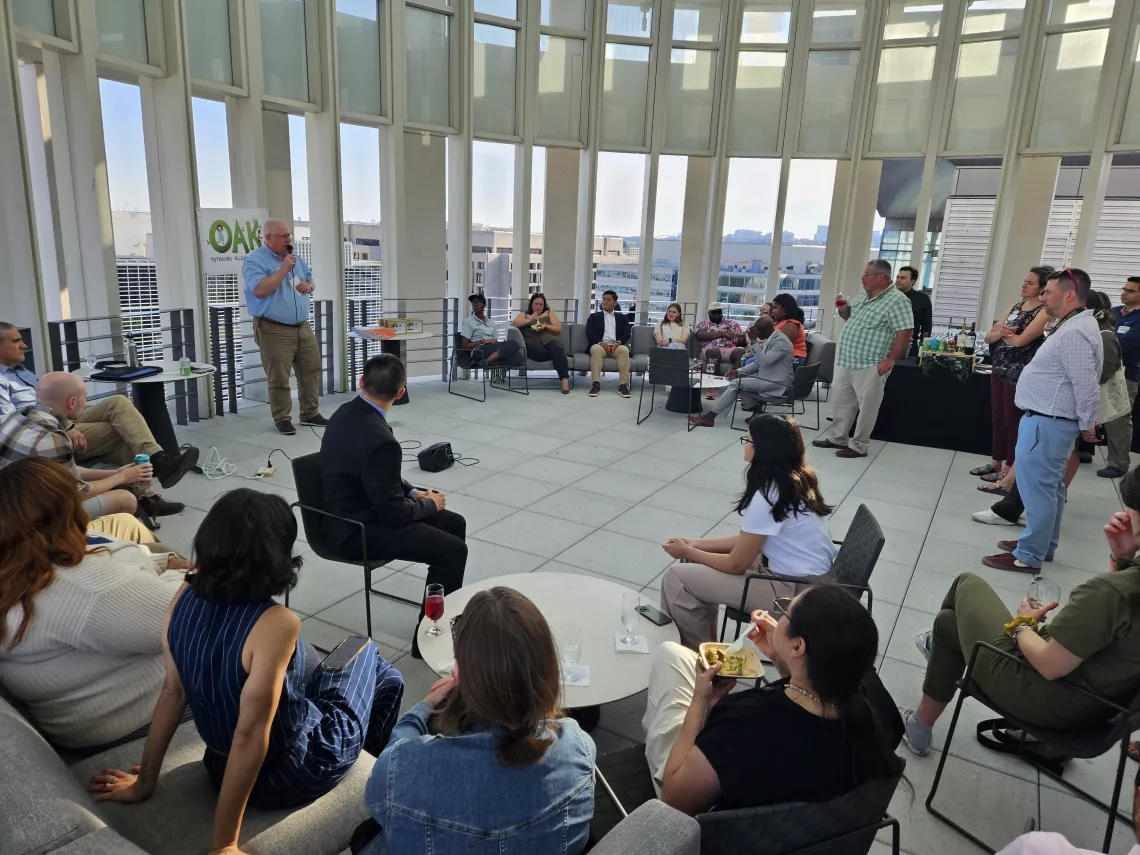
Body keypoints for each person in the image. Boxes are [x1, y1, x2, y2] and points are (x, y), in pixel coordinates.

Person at [90, 489, 404, 853]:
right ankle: (382, 786)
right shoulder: (277, 623)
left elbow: (172, 694)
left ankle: (377, 774)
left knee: (387, 680)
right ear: (278, 556)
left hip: (219, 768)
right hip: (298, 769)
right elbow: (249, 736)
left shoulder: (182, 597)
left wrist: (144, 783)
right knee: (366, 651)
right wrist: (224, 845)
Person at [900, 467, 1140, 757]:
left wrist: (1022, 625)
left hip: (1049, 699)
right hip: (1096, 710)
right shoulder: (1121, 590)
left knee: (967, 583)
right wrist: (1124, 557)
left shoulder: (1112, 592)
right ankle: (918, 726)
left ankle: (938, 649)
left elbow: (1049, 665)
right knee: (948, 625)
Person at [358, 587, 595, 855]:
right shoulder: (579, 748)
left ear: (463, 673)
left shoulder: (401, 767)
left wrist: (425, 706)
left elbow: (379, 791)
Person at [642, 585, 903, 815]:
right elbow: (807, 701)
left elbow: (674, 803)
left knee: (670, 655)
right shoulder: (875, 708)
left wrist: (701, 701)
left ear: (799, 646)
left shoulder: (748, 722)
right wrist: (782, 656)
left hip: (710, 823)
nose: (777, 616)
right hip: (803, 832)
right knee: (682, 659)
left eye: (786, 611)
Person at [0, 458, 188, 750]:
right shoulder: (83, 587)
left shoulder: (19, 570)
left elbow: (108, 562)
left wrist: (156, 563)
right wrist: (185, 574)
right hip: (137, 718)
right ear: (66, 510)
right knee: (272, 643)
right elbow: (190, 622)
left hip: (81, 718)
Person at [320, 354, 467, 658]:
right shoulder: (381, 439)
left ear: (361, 382)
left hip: (341, 513)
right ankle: (427, 638)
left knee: (456, 524)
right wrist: (430, 505)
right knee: (454, 549)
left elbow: (376, 475)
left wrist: (413, 491)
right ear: (401, 394)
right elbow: (392, 513)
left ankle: (438, 616)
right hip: (356, 529)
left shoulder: (346, 412)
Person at [660, 414, 837, 648]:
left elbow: (736, 564)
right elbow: (749, 540)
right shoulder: (796, 480)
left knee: (677, 578)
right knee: (694, 566)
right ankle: (707, 654)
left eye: (748, 440)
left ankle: (698, 666)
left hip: (794, 595)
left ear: (763, 449)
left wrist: (689, 552)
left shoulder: (769, 494)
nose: (745, 444)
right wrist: (694, 544)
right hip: (811, 584)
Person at [981, 268, 1101, 573]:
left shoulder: (1075, 331)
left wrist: (1088, 424)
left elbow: (1085, 384)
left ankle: (1029, 554)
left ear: (1069, 294)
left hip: (1050, 420)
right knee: (1050, 489)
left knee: (1039, 489)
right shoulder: (1072, 325)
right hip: (1047, 417)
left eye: (1048, 291)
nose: (1043, 296)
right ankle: (1042, 544)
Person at [0, 321, 199, 491]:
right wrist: (66, 426)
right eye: (16, 341)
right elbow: (13, 425)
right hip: (44, 430)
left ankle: (156, 465)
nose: (24, 345)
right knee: (125, 430)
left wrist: (66, 420)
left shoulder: (21, 371)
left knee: (119, 405)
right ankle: (150, 488)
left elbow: (48, 398)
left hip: (58, 416)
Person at [0, 373, 171, 526]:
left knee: (119, 413)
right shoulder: (53, 439)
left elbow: (63, 471)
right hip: (31, 516)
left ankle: (156, 466)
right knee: (126, 499)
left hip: (11, 501)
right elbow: (78, 492)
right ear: (72, 402)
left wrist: (114, 473)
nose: (86, 403)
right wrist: (121, 477)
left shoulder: (21, 415)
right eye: (84, 398)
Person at [812, 259, 913, 459]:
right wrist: (842, 309)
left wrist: (890, 360)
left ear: (881, 277)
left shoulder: (898, 300)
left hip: (871, 363)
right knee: (841, 402)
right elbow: (850, 316)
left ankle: (859, 445)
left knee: (867, 407)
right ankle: (838, 437)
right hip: (847, 359)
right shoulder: (863, 295)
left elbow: (905, 331)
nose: (862, 278)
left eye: (866, 274)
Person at [242, 218, 326, 436]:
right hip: (273, 328)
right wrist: (283, 269)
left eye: (289, 235)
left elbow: (310, 279)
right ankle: (282, 417)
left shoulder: (294, 257)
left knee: (312, 368)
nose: (289, 239)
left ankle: (310, 413)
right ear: (268, 238)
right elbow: (259, 290)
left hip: (302, 325)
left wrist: (309, 285)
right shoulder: (254, 260)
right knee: (279, 376)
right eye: (284, 236)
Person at [972, 267, 1052, 493]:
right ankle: (995, 460)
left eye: (1030, 283)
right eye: (1024, 281)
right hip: (999, 366)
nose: (1024, 285)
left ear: (1042, 288)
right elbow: (989, 335)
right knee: (997, 416)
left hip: (1020, 371)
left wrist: (1005, 334)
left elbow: (1021, 341)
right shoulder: (1016, 307)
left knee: (1012, 419)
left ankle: (1009, 466)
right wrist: (1005, 334)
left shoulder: (1043, 310)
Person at [689, 318, 793, 428]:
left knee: (736, 384)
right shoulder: (773, 338)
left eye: (756, 332)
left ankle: (709, 418)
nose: (754, 335)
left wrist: (753, 342)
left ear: (765, 330)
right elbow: (758, 364)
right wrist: (738, 371)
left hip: (777, 383)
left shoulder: (781, 342)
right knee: (739, 380)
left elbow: (764, 362)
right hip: (768, 378)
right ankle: (757, 412)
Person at [1102, 276, 1140, 478]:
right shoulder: (1113, 312)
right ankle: (1083, 450)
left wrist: (1107, 342)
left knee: (1118, 418)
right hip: (1099, 370)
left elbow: (1128, 345)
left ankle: (1118, 464)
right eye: (1124, 289)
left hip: (1125, 374)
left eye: (1131, 290)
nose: (1124, 293)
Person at [512, 292, 570, 393]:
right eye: (536, 304)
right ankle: (561, 356)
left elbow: (558, 329)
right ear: (531, 304)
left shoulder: (549, 313)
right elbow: (514, 324)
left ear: (544, 305)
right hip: (531, 341)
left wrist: (545, 326)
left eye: (541, 304)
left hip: (549, 339)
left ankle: (564, 380)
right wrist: (530, 319)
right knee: (541, 354)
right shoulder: (524, 315)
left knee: (558, 348)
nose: (538, 306)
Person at [459, 293, 523, 377]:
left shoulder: (491, 322)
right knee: (514, 343)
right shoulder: (468, 322)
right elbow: (464, 345)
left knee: (519, 357)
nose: (474, 304)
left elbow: (495, 341)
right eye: (473, 302)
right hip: (478, 350)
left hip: (491, 349)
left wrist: (495, 344)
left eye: (477, 302)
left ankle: (485, 362)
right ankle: (488, 361)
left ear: (484, 305)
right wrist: (482, 341)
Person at [586, 289, 633, 398]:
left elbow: (627, 334)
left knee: (624, 350)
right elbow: (590, 332)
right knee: (596, 349)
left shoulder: (622, 318)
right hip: (600, 345)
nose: (605, 302)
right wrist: (601, 343)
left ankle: (623, 385)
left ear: (615, 303)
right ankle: (596, 384)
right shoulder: (594, 317)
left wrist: (618, 343)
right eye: (604, 299)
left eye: (608, 300)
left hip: (616, 346)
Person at [694, 302, 744, 381]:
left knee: (740, 351)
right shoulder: (703, 324)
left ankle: (735, 383)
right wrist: (723, 333)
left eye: (719, 312)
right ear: (709, 313)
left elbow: (742, 337)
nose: (717, 314)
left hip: (729, 350)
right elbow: (700, 335)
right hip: (710, 350)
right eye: (714, 312)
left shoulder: (732, 324)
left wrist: (735, 337)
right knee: (714, 350)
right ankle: (712, 385)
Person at [894, 265, 932, 355]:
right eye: (897, 277)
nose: (898, 280)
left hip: (909, 347)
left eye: (903, 278)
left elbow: (926, 327)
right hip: (884, 346)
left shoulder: (922, 299)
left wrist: (924, 350)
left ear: (912, 281)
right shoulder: (888, 297)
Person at [770, 293, 808, 368]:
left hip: (793, 358)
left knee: (750, 361)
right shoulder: (780, 321)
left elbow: (781, 346)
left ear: (784, 310)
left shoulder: (792, 324)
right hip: (779, 356)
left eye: (775, 308)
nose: (773, 311)